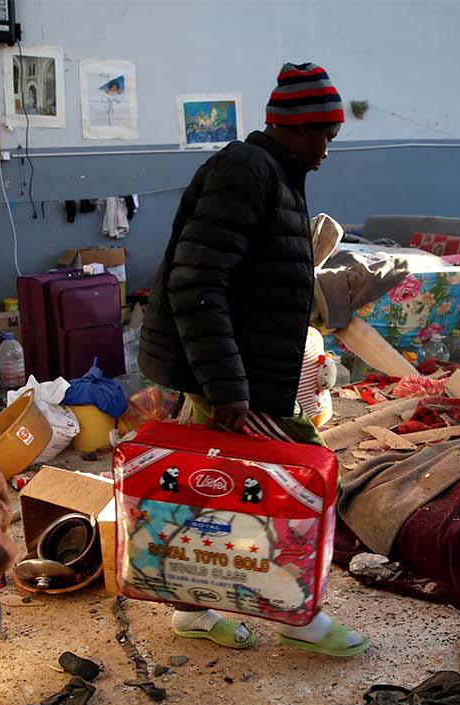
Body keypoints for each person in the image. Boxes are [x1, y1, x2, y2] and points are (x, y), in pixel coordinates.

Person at [138, 62, 366, 658]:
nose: (325, 151)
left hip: (231, 369)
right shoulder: (247, 171)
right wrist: (228, 388)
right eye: (321, 137)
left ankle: (195, 610)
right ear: (289, 128)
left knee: (203, 493)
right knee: (299, 477)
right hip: (226, 376)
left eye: (331, 139)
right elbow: (197, 282)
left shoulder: (276, 174)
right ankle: (295, 612)